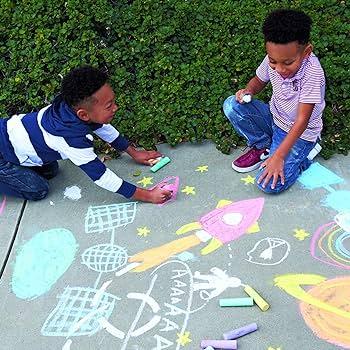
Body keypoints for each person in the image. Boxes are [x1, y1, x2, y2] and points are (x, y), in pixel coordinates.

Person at [0, 66, 172, 203]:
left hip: (12, 143)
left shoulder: (72, 109)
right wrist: (147, 195)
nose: (116, 107)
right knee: (38, 189)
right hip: (3, 151)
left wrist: (134, 152)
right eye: (109, 105)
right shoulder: (70, 139)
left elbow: (104, 128)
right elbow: (101, 177)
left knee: (51, 170)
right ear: (83, 114)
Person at [223, 9, 325, 193]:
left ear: (306, 52)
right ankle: (264, 146)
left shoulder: (312, 73)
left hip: (300, 134)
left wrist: (279, 156)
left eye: (287, 63)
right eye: (273, 61)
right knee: (232, 105)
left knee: (269, 185)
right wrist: (248, 91)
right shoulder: (276, 57)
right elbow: (258, 81)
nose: (279, 69)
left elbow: (302, 121)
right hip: (275, 120)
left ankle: (306, 156)